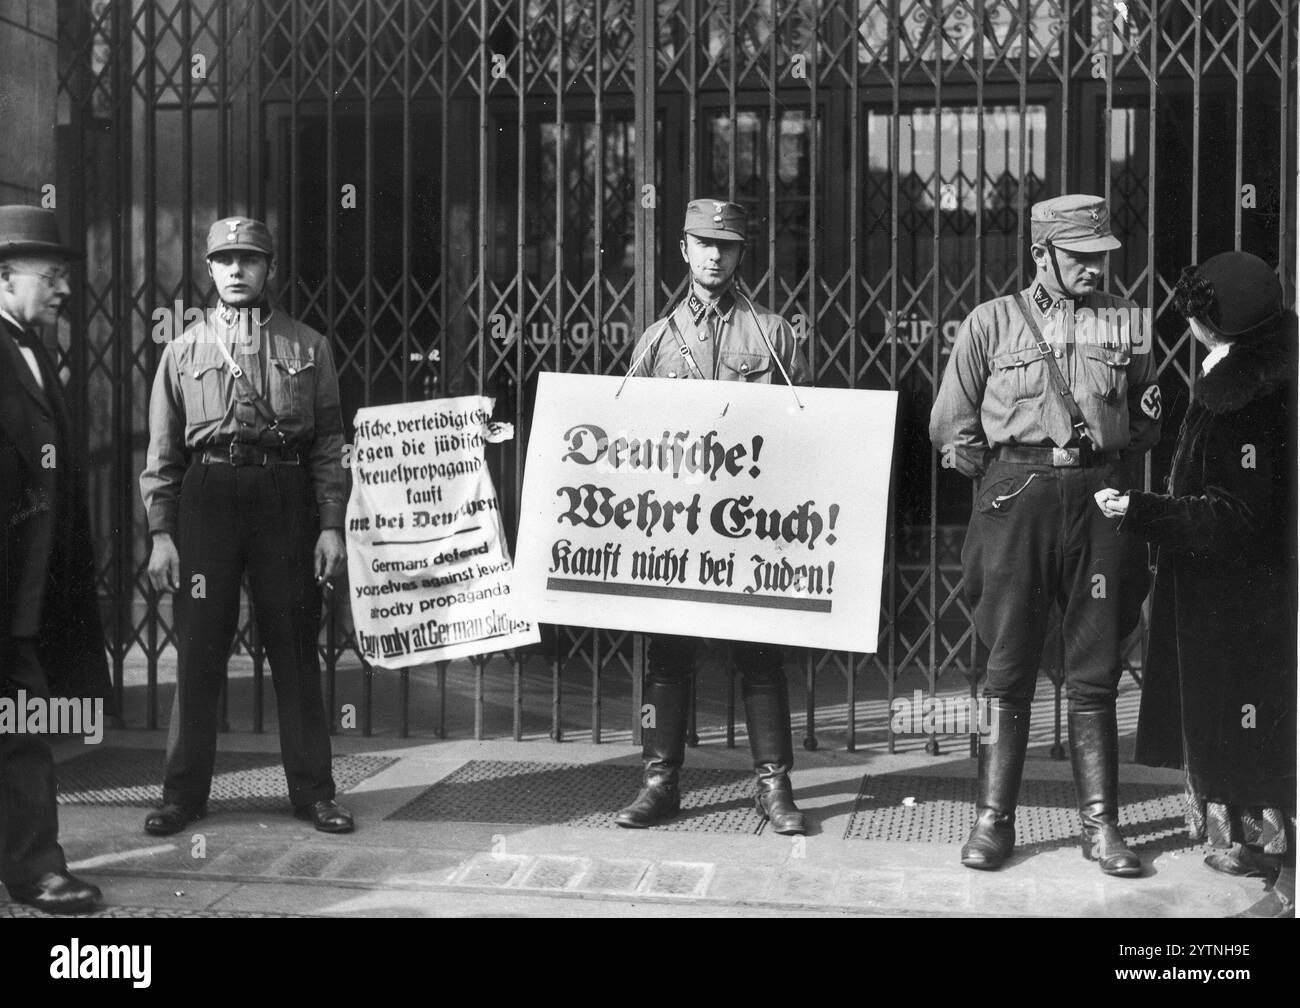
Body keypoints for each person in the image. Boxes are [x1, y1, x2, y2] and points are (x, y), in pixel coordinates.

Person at [930, 194, 1161, 874]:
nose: (1094, 268)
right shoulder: (989, 324)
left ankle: (1102, 826)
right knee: (1005, 670)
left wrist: (1103, 462)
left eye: (1101, 257)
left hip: (1099, 498)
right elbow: (952, 424)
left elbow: (1149, 414)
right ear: (1041, 255)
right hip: (1017, 498)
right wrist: (1002, 485)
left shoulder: (1127, 323)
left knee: (1094, 668)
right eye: (1079, 257)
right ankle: (993, 820)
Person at [1096, 251, 1296, 917]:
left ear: (1215, 329)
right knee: (1260, 724)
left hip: (1235, 597)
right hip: (1265, 597)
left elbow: (1233, 513)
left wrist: (1142, 512)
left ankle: (1275, 867)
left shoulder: (1241, 395)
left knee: (1248, 721)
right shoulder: (1274, 370)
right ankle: (1258, 838)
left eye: (1195, 321)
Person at [140, 216, 353, 835]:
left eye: (250, 260)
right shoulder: (183, 350)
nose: (237, 270)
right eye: (225, 260)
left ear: (270, 269)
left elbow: (329, 442)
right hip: (209, 498)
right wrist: (160, 532)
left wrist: (330, 524)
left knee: (293, 646)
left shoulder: (308, 345)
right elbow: (163, 451)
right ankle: (183, 795)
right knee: (200, 645)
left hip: (284, 499)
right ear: (208, 270)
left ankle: (314, 792)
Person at [616, 198, 811, 835]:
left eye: (725, 245)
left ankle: (773, 787)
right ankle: (659, 782)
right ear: (683, 249)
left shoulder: (776, 336)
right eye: (703, 243)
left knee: (760, 657)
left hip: (750, 529)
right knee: (667, 657)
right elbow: (626, 438)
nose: (714, 255)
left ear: (739, 253)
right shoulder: (657, 341)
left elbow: (802, 431)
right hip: (677, 527)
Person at [0, 205, 114, 913]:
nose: (66, 289)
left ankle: (34, 863)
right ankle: (34, 866)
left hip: (25, 592)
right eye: (54, 275)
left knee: (22, 724)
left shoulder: (32, 350)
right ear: (6, 276)